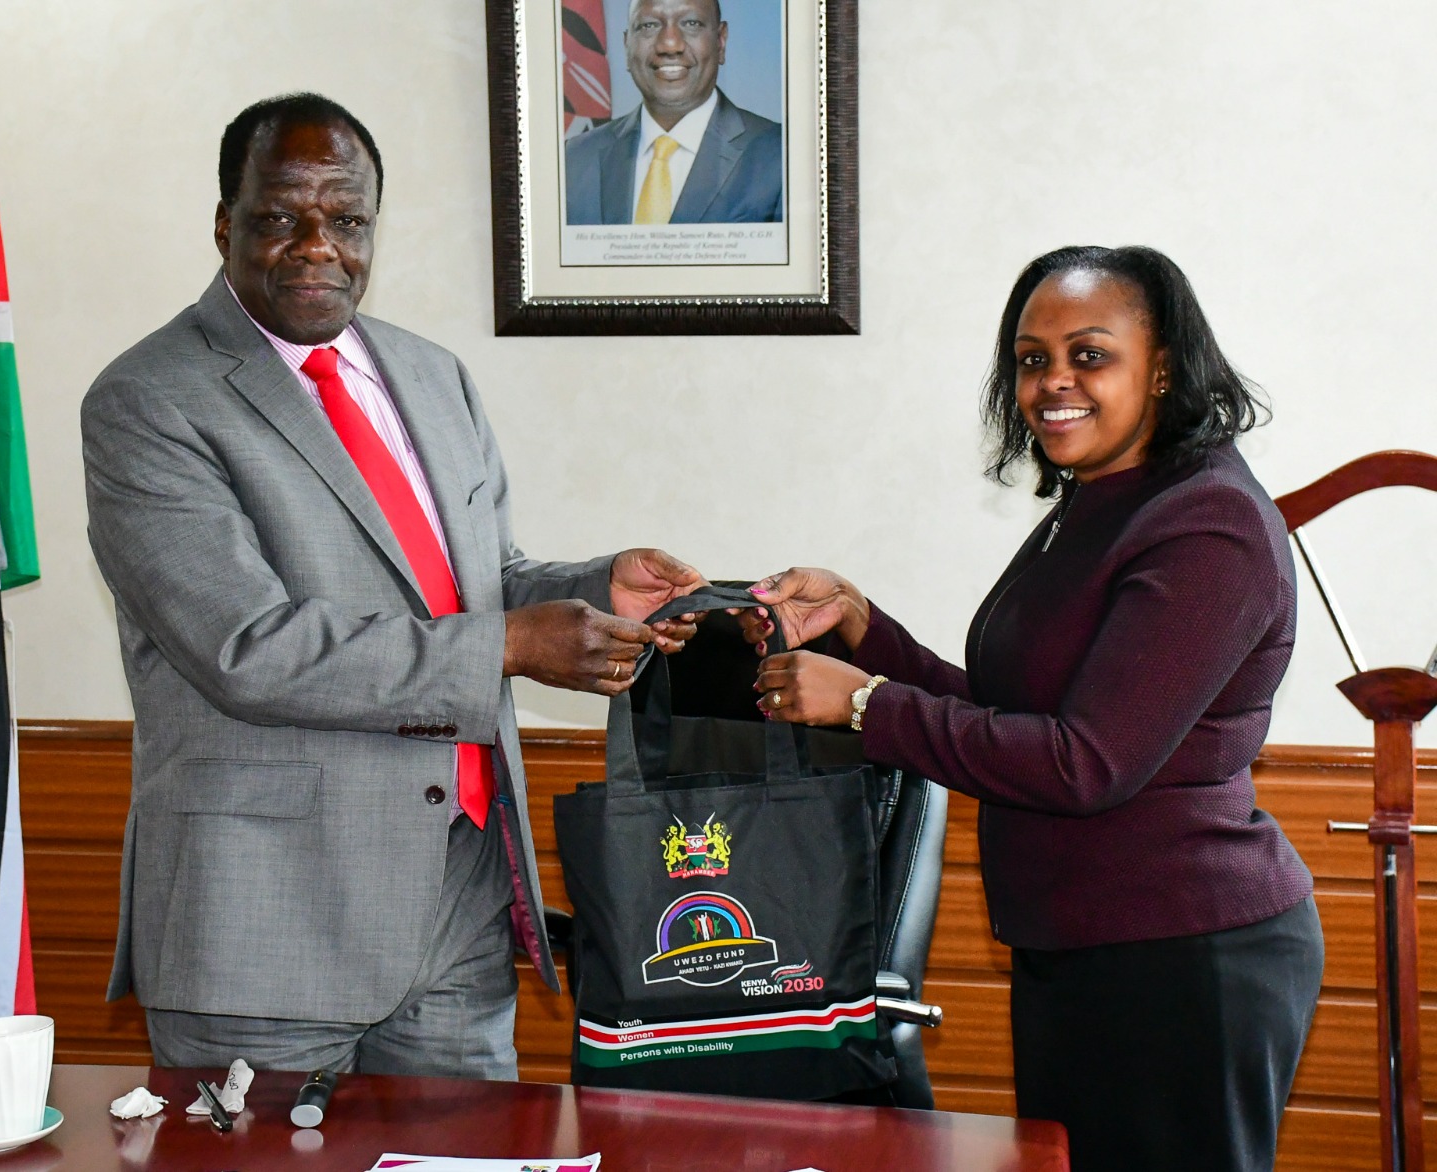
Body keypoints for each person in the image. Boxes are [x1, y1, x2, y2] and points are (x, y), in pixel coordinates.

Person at [81, 92, 705, 1077]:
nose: (317, 245)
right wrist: (511, 645)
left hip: (459, 904)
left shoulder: (430, 375)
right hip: (265, 927)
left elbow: (476, 582)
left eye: (347, 218)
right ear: (224, 223)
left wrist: (596, 588)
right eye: (281, 215)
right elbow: (249, 647)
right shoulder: (149, 399)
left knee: (467, 1150)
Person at [737, 246, 1324, 1172]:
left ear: (1162, 367)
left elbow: (1084, 763)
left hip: (1181, 957)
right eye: (1030, 359)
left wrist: (867, 708)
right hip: (1083, 945)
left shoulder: (1209, 523)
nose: (1053, 382)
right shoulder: (1102, 501)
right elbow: (1014, 716)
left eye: (1089, 355)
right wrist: (861, 628)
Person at [564, 0, 782, 225]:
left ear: (720, 41)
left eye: (691, 23)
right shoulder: (573, 160)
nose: (669, 44)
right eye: (649, 25)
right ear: (627, 45)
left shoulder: (782, 156)